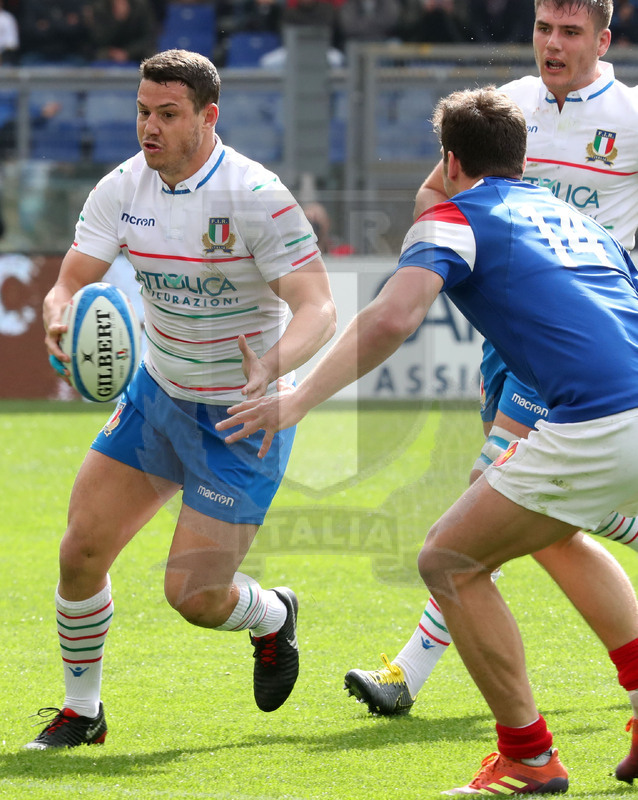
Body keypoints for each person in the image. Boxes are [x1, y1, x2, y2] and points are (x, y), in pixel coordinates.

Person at [217, 85, 638, 793]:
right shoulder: (575, 219)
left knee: (449, 559)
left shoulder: (451, 217)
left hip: (598, 420)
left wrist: (299, 398)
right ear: (521, 157)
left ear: (449, 160)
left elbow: (391, 318)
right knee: (555, 536)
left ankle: (528, 757)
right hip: (612, 412)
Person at [25, 48, 336, 750]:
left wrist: (276, 366)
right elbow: (69, 280)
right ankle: (84, 712)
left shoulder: (257, 198)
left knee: (192, 599)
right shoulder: (121, 188)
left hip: (241, 417)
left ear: (208, 116)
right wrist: (58, 310)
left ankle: (272, 616)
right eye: (143, 112)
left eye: (168, 114)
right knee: (80, 552)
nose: (150, 128)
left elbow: (319, 307)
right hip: (157, 396)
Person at [343, 0, 638, 728]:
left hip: (590, 337)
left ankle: (412, 673)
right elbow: (436, 189)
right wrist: (434, 256)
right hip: (515, 335)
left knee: (488, 495)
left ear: (604, 39)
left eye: (571, 33)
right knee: (543, 521)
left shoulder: (631, 117)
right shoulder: (506, 107)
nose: (553, 44)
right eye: (544, 28)